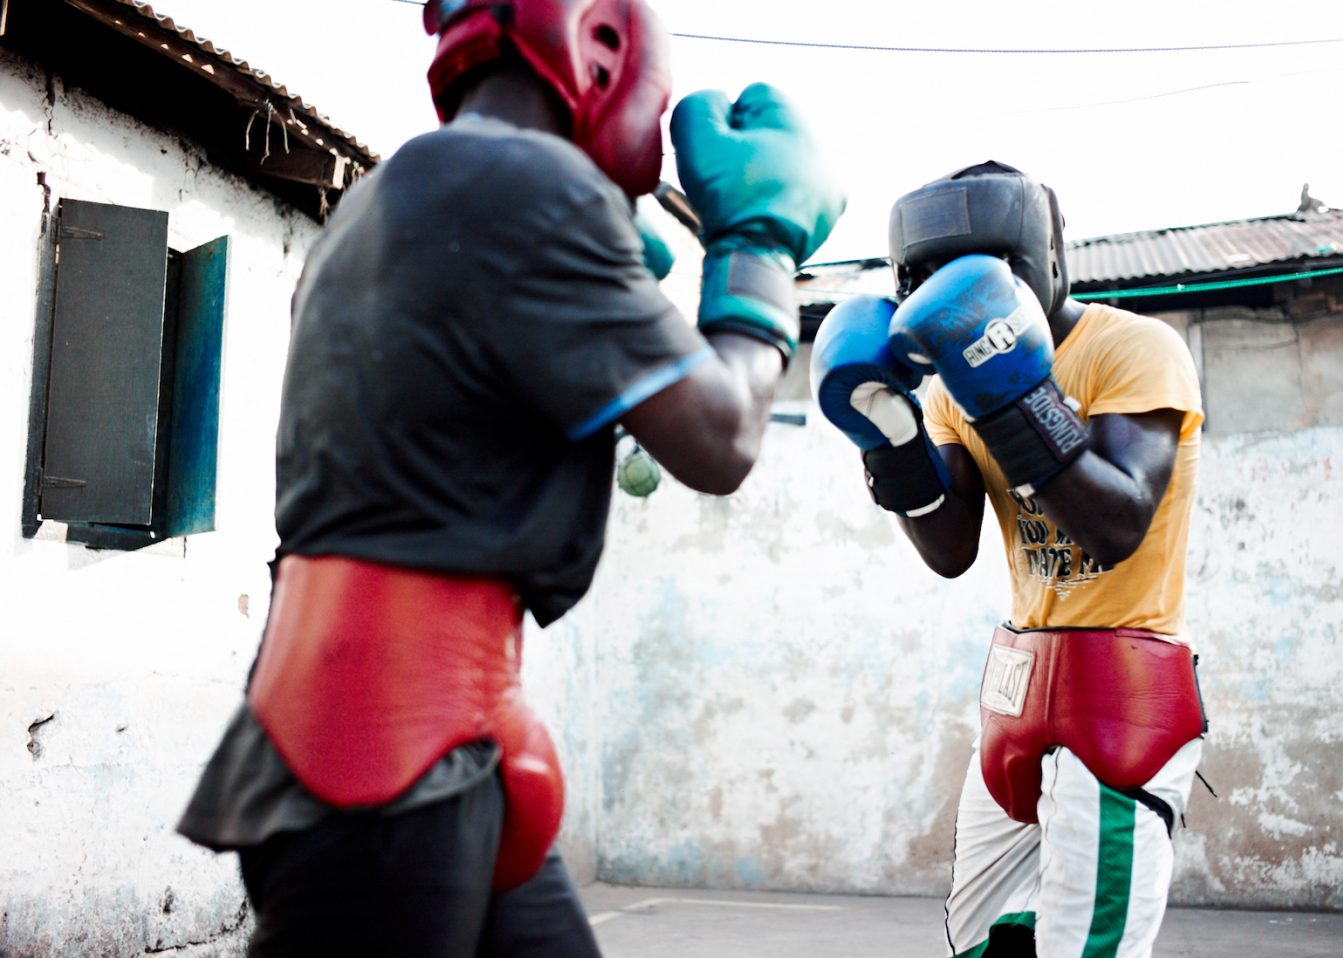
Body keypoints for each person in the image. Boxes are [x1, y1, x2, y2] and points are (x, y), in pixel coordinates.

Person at [176, 0, 844, 953]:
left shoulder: (390, 194)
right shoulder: (524, 188)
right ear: (601, 45)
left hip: (424, 716)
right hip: (388, 742)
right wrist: (763, 250)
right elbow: (723, 438)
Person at [811, 161, 1206, 958]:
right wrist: (894, 440)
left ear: (1041, 259)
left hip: (1119, 691)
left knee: (1084, 946)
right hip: (1018, 683)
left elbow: (1117, 522)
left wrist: (1014, 395)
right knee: (982, 939)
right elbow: (950, 549)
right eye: (922, 277)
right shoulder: (952, 389)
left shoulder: (1135, 349)